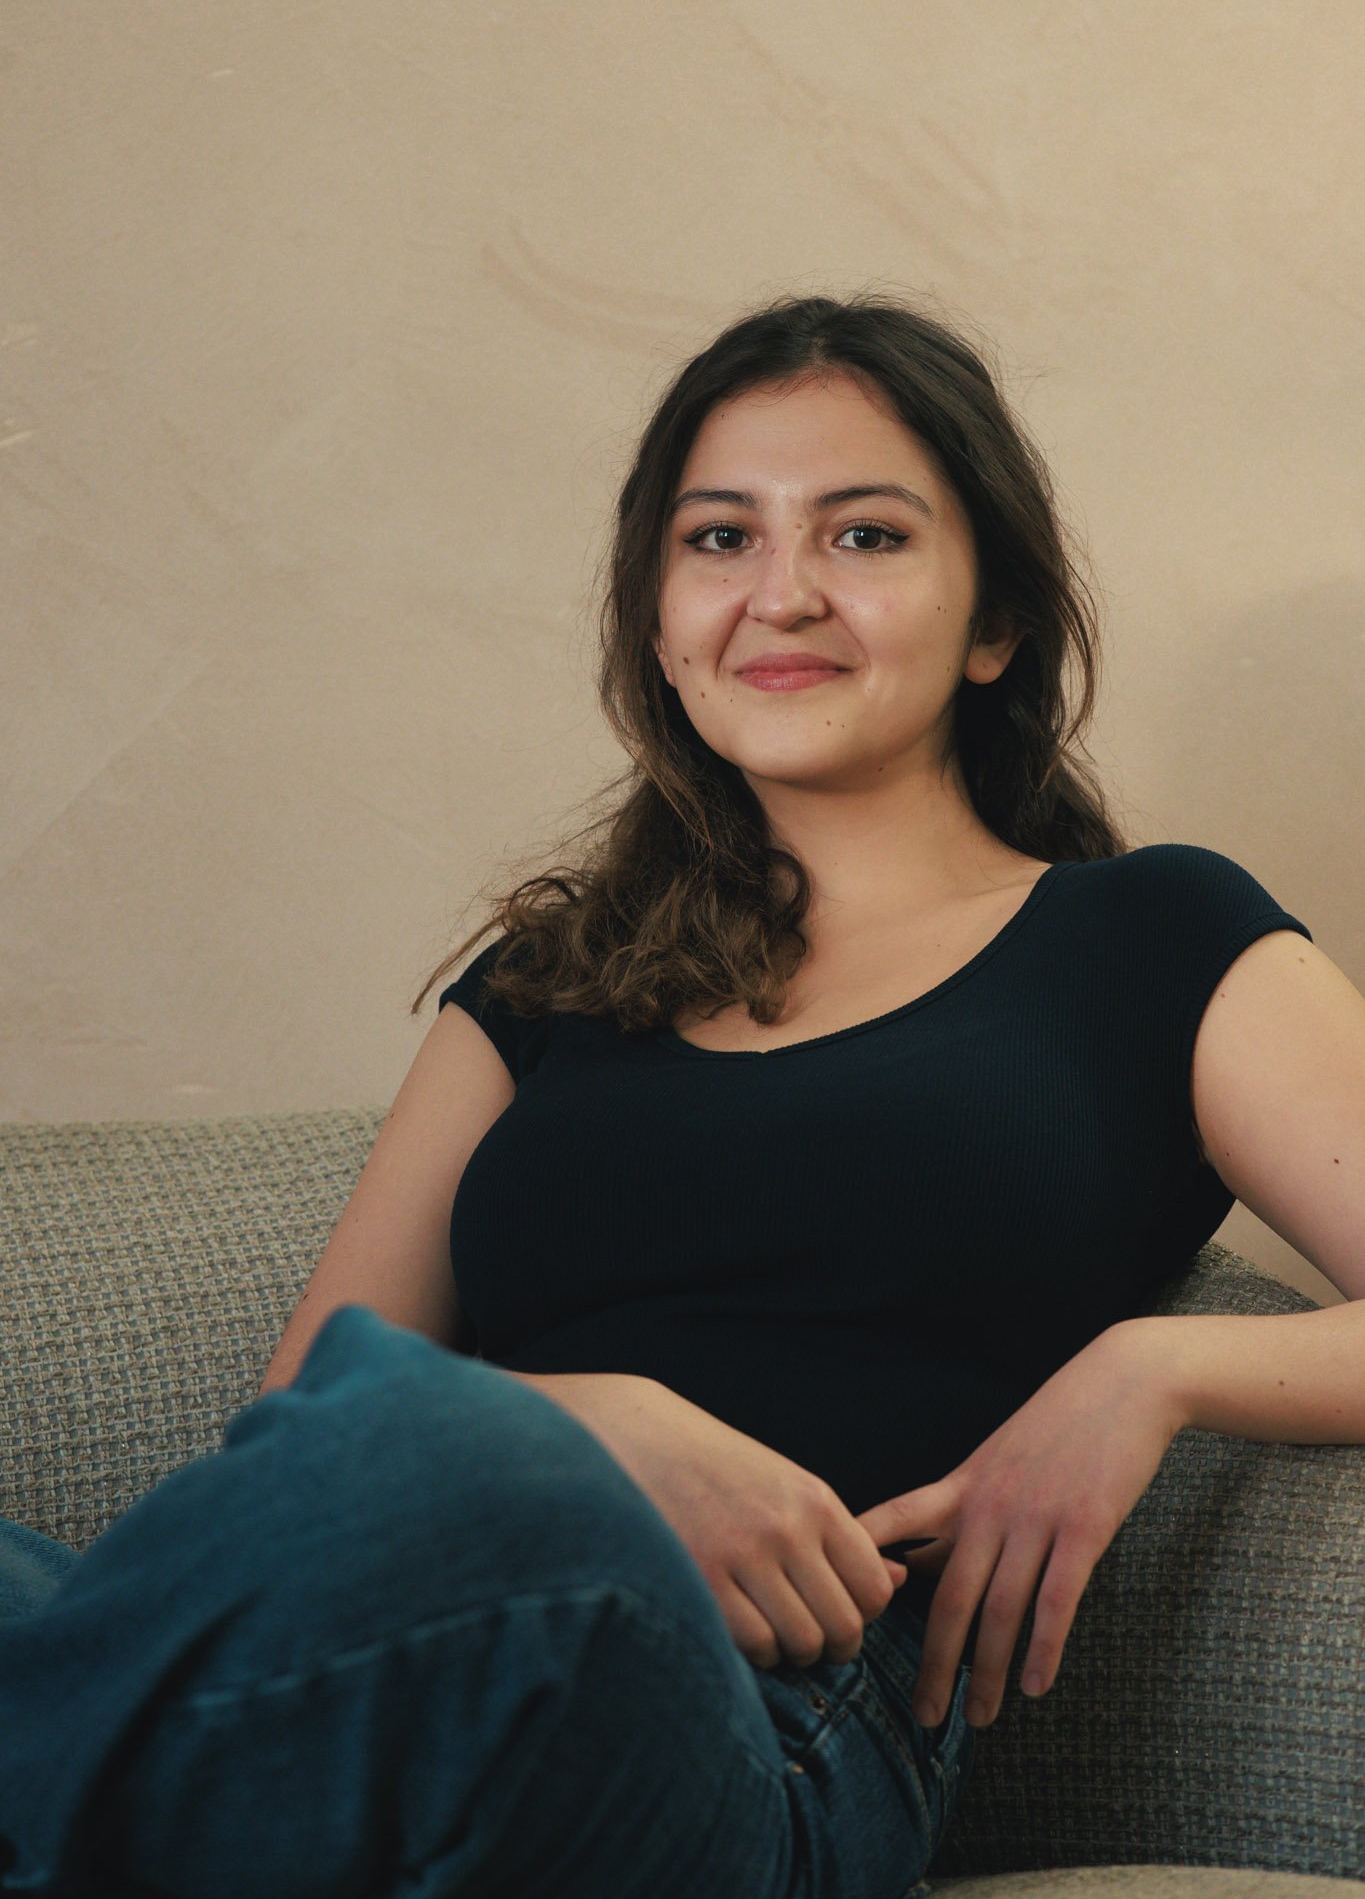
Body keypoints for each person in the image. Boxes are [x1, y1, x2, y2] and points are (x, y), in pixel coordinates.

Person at [0, 289, 1312, 1898]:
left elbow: (394, 1448)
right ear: (656, 623)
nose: (780, 593)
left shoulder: (1149, 938)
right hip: (409, 1683)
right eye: (716, 541)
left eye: (865, 537)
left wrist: (1150, 1372)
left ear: (996, 624)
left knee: (472, 1483)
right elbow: (294, 1433)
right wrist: (601, 1429)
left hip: (764, 1729)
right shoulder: (552, 980)